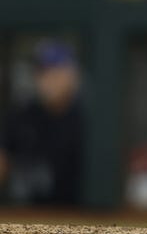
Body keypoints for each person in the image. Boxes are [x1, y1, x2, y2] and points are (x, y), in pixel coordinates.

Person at [0, 39, 86, 206]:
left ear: (72, 74)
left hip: (81, 215)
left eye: (56, 71)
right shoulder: (22, 115)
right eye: (42, 72)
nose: (48, 79)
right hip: (27, 213)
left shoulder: (88, 118)